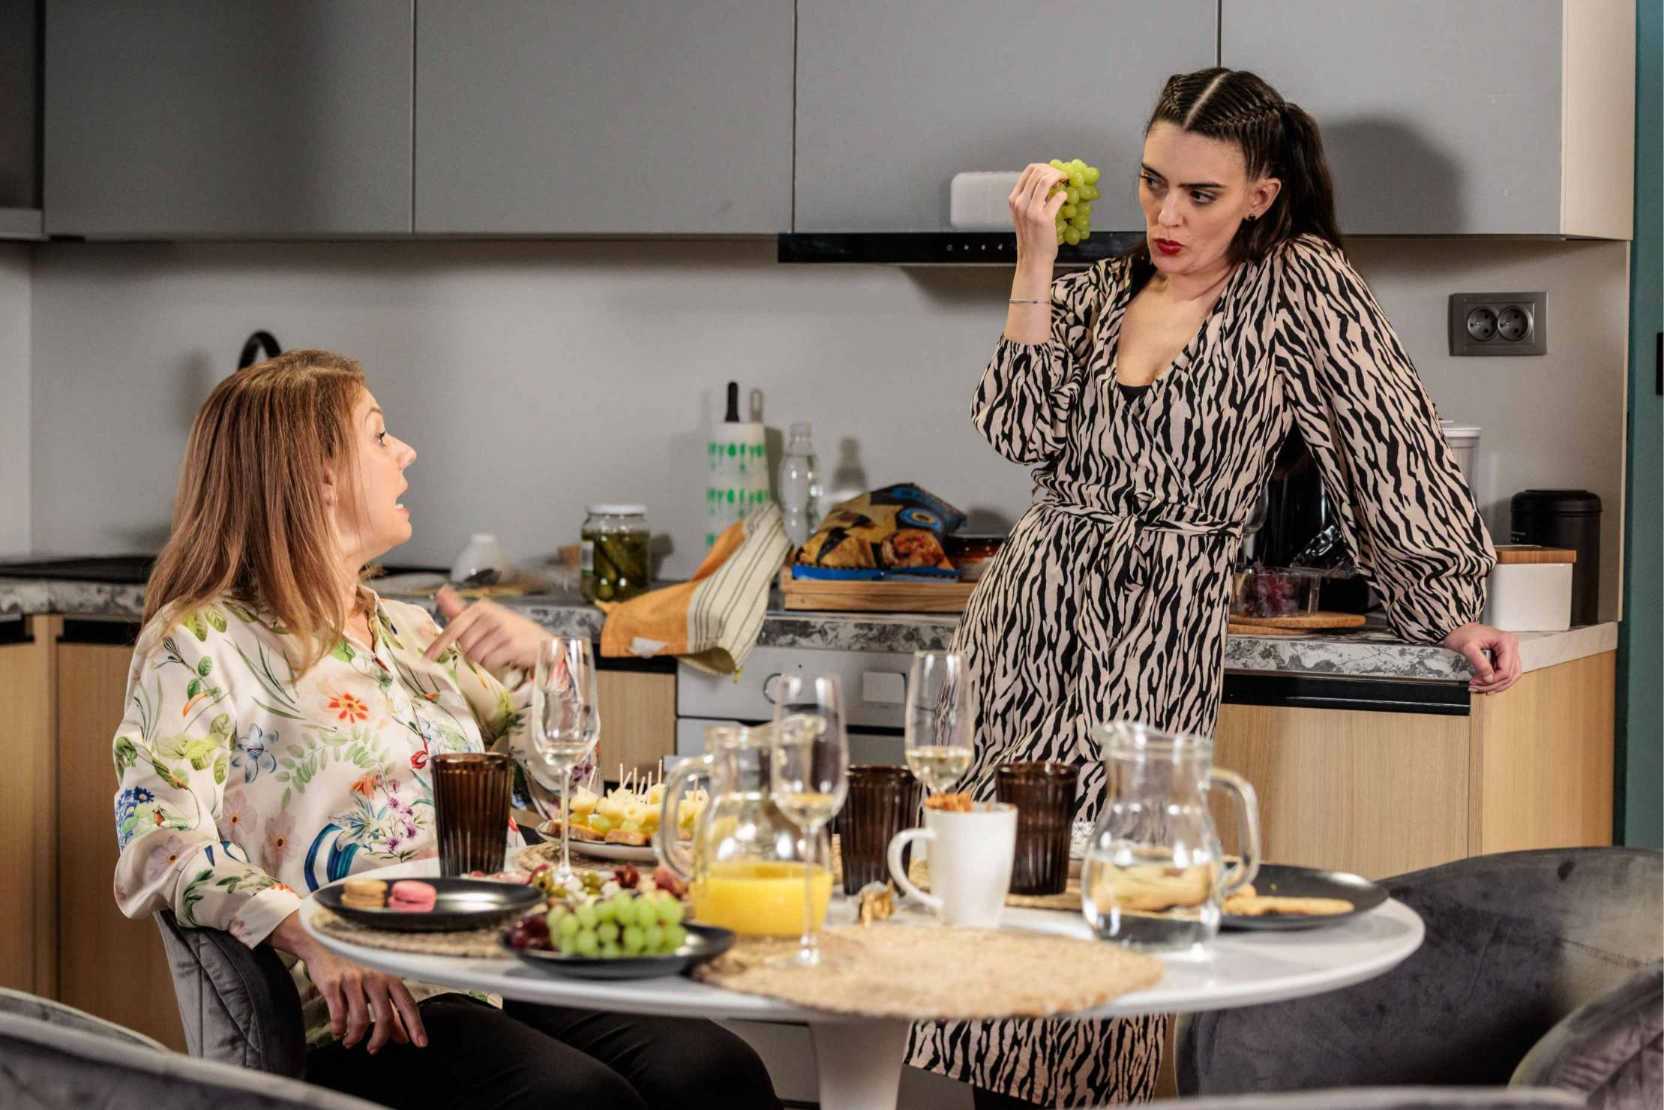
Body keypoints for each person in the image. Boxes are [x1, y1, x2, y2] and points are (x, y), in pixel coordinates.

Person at [908, 68, 1522, 1109]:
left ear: (1260, 195)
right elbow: (1017, 430)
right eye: (1153, 184)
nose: (1168, 215)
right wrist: (1035, 259)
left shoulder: (1299, 286)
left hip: (1154, 635)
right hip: (1027, 619)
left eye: (1200, 194)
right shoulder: (1098, 289)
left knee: (1113, 907)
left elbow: (1388, 443)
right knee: (997, 900)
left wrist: (1450, 607)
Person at [111, 350, 779, 1110]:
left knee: (718, 1072)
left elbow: (552, 794)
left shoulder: (410, 628)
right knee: (578, 1102)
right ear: (318, 475)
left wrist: (546, 666)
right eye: (378, 435)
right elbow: (158, 841)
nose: (405, 452)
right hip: (372, 994)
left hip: (505, 953)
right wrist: (304, 931)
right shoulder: (200, 641)